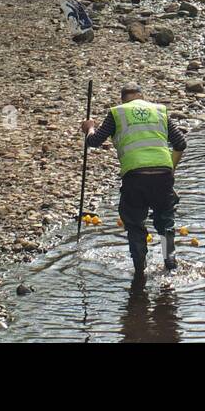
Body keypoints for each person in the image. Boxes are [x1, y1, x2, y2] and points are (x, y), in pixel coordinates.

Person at [81, 81, 186, 277]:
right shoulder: (159, 111)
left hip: (134, 177)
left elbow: (94, 142)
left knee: (135, 223)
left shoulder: (117, 113)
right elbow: (180, 143)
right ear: (142, 96)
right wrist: (171, 170)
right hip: (163, 175)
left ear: (123, 99)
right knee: (165, 221)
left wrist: (89, 127)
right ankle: (170, 262)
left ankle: (139, 271)